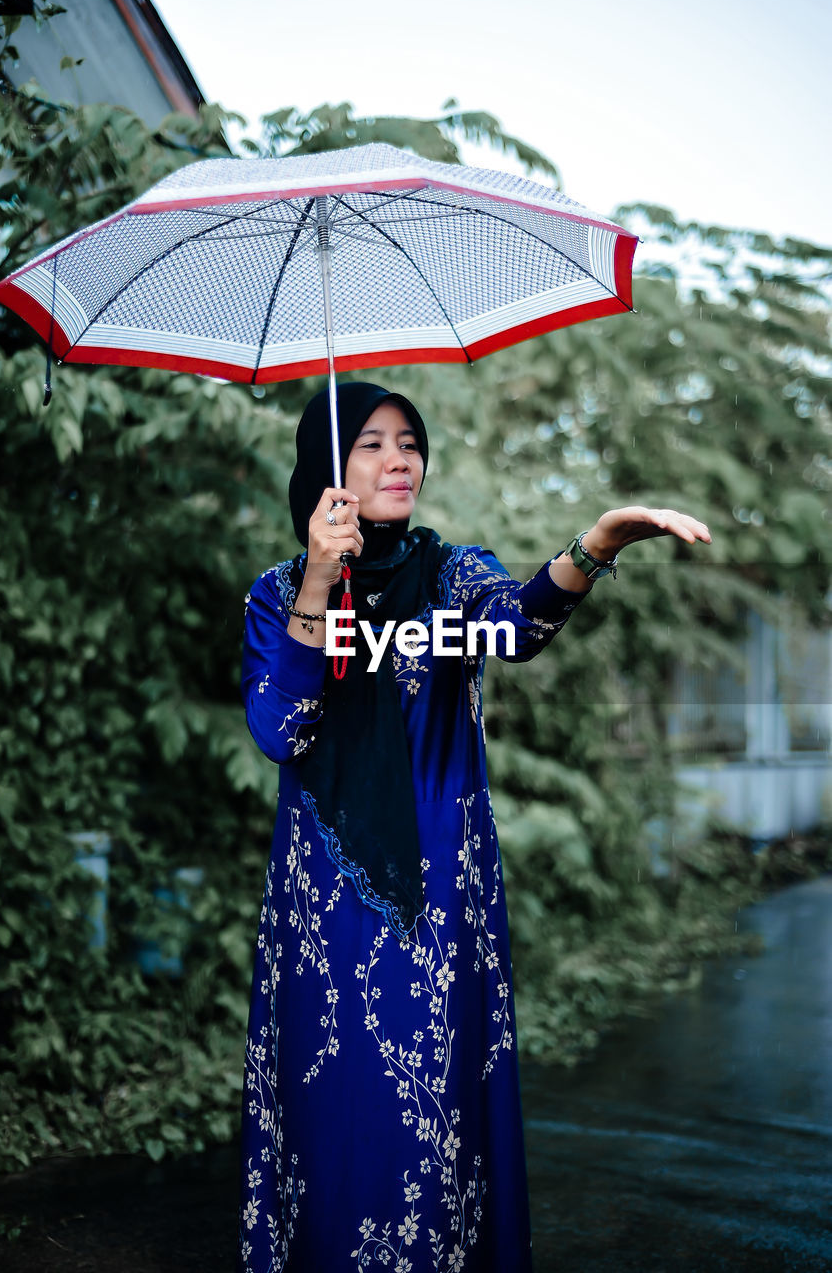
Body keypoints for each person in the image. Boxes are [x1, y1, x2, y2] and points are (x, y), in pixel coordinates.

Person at [238, 382, 710, 1273]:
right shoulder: (277, 594)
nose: (399, 459)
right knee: (338, 1107)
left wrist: (597, 543)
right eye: (370, 443)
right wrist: (318, 578)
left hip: (441, 889)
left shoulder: (452, 575)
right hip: (328, 905)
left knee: (432, 1110)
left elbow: (516, 627)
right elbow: (280, 729)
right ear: (323, 471)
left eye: (409, 441)